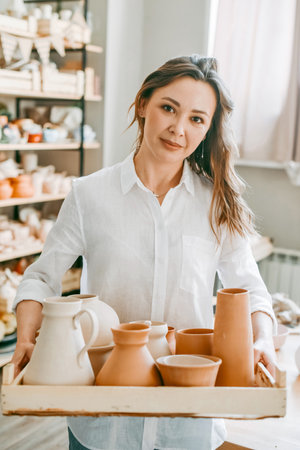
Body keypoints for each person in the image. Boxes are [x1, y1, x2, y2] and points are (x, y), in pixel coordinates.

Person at [12, 55, 277, 450]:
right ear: (142, 105)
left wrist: (263, 341)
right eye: (168, 108)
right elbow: (41, 276)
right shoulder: (89, 195)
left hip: (188, 420)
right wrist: (27, 335)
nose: (178, 128)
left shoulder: (216, 204)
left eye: (196, 119)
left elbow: (250, 288)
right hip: (101, 422)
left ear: (207, 130)